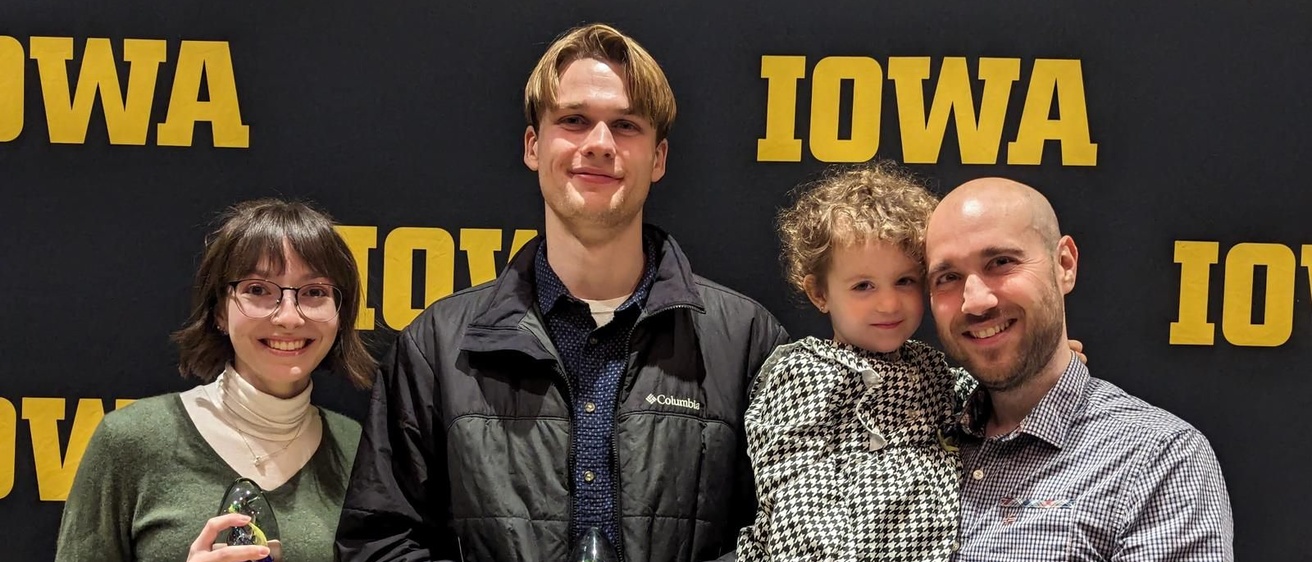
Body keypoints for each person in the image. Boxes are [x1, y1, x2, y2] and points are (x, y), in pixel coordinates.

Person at [334, 23, 788, 562]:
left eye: (625, 126)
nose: (598, 144)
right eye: (574, 121)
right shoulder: (437, 347)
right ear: (534, 144)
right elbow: (377, 546)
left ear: (659, 158)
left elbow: (785, 541)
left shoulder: (748, 343)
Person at [924, 178, 1233, 561]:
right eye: (948, 278)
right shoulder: (913, 440)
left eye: (1001, 262)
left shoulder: (1157, 459)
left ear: (1064, 264)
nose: (976, 301)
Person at [54, 199, 376, 562]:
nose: (288, 317)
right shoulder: (130, 441)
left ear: (340, 313)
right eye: (258, 289)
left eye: (315, 292)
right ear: (220, 310)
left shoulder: (358, 452)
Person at [736, 162, 969, 561]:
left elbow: (988, 401)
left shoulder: (932, 369)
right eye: (863, 286)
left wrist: (1037, 371)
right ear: (820, 294)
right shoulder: (804, 375)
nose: (889, 303)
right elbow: (798, 494)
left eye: (905, 281)